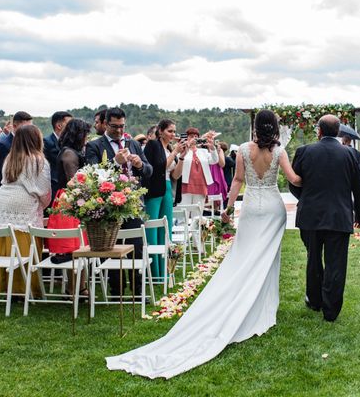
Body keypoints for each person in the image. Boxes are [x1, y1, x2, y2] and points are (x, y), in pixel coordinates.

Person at [106, 109, 302, 378]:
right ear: (275, 127)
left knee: (242, 258)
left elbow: (237, 181)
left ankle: (249, 301)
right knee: (268, 259)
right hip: (273, 208)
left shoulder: (244, 149)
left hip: (251, 211)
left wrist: (229, 208)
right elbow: (293, 179)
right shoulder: (279, 152)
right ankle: (263, 308)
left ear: (256, 126)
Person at [290, 114, 360, 321]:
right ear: (339, 132)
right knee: (336, 263)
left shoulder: (304, 151)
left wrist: (306, 199)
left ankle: (314, 301)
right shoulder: (351, 154)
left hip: (310, 215)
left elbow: (294, 183)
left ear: (319, 131)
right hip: (339, 216)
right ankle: (331, 310)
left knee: (313, 259)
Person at [85, 107, 152, 297]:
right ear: (105, 124)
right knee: (112, 248)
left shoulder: (133, 144)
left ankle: (139, 291)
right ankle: (117, 291)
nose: (120, 131)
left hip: (133, 204)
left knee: (137, 248)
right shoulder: (95, 146)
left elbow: (149, 171)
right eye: (115, 126)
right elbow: (91, 173)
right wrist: (114, 162)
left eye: (122, 126)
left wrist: (140, 165)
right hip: (108, 206)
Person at [0, 125, 51, 297]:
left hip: (1, 201)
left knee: (7, 246)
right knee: (26, 247)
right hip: (23, 203)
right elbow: (43, 190)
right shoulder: (39, 160)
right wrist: (43, 206)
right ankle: (27, 289)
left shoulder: (10, 158)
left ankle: (8, 287)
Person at [143, 119, 184, 279]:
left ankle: (165, 270)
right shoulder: (153, 145)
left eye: (174, 131)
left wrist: (181, 157)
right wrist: (174, 153)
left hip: (167, 188)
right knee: (152, 227)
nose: (173, 134)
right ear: (160, 131)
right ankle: (153, 272)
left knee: (165, 228)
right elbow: (158, 167)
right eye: (170, 131)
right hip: (154, 189)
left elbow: (175, 175)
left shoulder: (170, 148)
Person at [47, 118, 92, 257]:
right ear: (79, 135)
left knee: (79, 245)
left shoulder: (70, 151)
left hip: (69, 197)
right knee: (75, 246)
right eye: (86, 134)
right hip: (69, 199)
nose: (87, 137)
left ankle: (79, 278)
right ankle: (76, 278)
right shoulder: (69, 154)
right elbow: (73, 182)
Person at [179, 127, 219, 209]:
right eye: (191, 136)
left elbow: (214, 161)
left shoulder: (203, 152)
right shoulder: (182, 150)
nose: (193, 138)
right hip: (185, 185)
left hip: (201, 185)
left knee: (197, 214)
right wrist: (187, 145)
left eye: (195, 136)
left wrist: (212, 148)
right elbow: (178, 160)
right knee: (184, 212)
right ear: (187, 138)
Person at [0, 111, 33, 193]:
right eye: (26, 128)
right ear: (14, 126)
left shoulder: (29, 144)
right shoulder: (3, 145)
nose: (29, 131)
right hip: (8, 193)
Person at [43, 111, 72, 203]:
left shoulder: (70, 142)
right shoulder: (46, 142)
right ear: (59, 126)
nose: (72, 128)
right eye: (69, 124)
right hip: (52, 188)